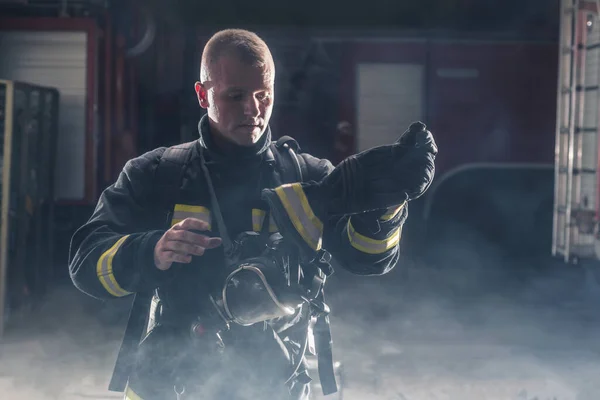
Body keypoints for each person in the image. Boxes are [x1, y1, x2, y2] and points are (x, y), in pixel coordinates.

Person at [68, 28, 435, 400]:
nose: (252, 109)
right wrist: (151, 251)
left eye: (263, 95)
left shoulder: (310, 178)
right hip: (171, 384)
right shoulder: (158, 175)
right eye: (235, 95)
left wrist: (385, 204)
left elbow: (369, 258)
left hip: (276, 385)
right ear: (202, 94)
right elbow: (85, 262)